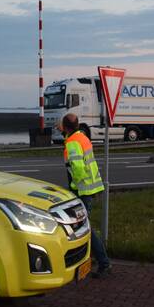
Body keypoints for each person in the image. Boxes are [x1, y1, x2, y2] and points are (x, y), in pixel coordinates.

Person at [59, 113, 111, 278]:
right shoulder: (81, 137)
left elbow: (78, 168)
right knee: (81, 227)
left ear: (66, 127)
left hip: (82, 190)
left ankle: (104, 263)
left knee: (84, 228)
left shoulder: (72, 142)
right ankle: (89, 260)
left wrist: (75, 187)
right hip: (90, 188)